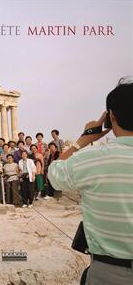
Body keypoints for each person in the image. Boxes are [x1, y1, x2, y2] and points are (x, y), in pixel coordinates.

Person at [47, 80, 133, 285]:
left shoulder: (91, 159)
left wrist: (82, 141)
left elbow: (54, 174)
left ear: (111, 117)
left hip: (109, 273)